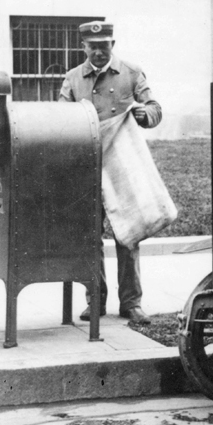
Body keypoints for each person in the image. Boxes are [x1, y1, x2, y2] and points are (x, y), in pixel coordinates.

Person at [59, 21, 162, 325]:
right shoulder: (73, 79)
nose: (100, 52)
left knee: (127, 234)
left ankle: (131, 302)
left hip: (122, 167)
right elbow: (62, 117)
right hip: (87, 168)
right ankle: (95, 300)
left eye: (104, 46)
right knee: (89, 236)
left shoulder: (131, 72)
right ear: (84, 47)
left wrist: (148, 115)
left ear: (112, 44)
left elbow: (154, 106)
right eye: (93, 47)